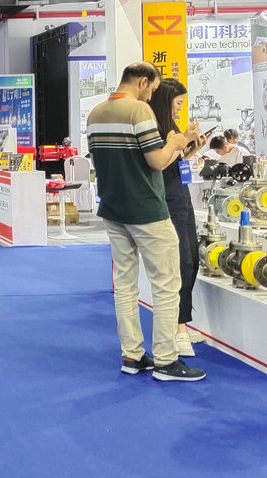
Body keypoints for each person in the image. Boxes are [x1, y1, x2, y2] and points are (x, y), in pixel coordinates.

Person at [85, 62, 205, 382]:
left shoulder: (95, 113)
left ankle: (132, 355)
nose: (152, 96)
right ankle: (166, 360)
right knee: (166, 285)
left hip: (113, 208)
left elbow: (102, 161)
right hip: (146, 209)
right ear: (142, 81)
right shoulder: (140, 111)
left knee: (125, 285)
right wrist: (177, 143)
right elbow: (156, 161)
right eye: (152, 89)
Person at [149, 77, 207, 358]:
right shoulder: (155, 129)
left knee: (191, 258)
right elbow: (158, 164)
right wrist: (180, 140)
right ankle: (178, 328)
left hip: (181, 194)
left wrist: (189, 147)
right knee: (179, 261)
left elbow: (174, 160)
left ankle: (180, 321)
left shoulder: (170, 127)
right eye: (178, 103)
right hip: (167, 197)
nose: (180, 108)